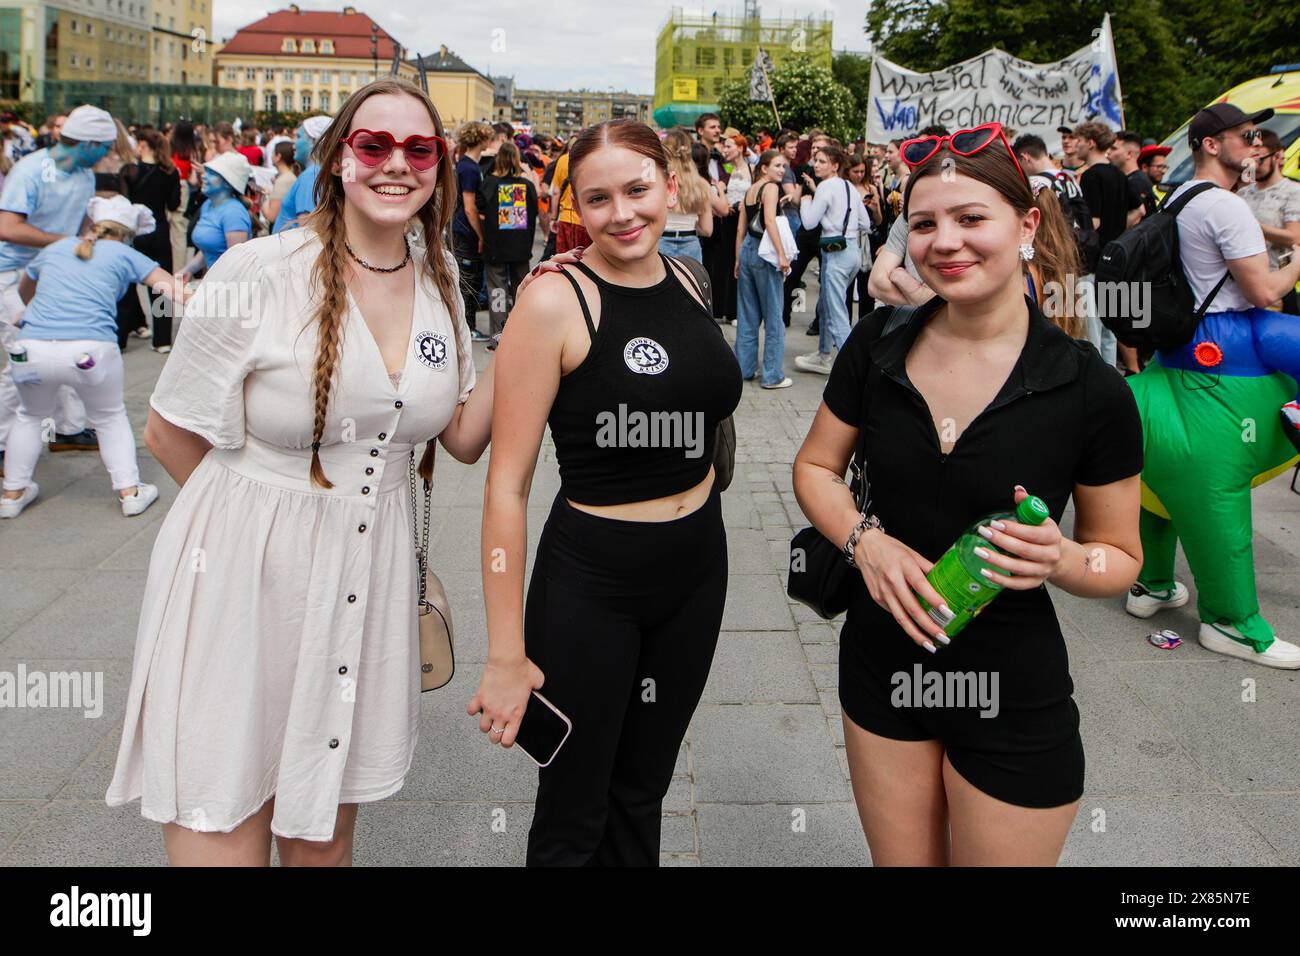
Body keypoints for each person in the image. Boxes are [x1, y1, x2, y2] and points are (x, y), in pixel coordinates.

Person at [105, 78, 495, 866]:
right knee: (223, 819)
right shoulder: (258, 270)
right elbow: (167, 428)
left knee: (322, 838)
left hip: (366, 578)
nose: (397, 164)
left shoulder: (440, 279)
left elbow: (460, 434)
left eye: (419, 148)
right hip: (242, 584)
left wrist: (545, 322)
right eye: (373, 144)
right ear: (339, 158)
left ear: (440, 166)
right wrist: (261, 519)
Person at [793, 121, 1144, 865]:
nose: (944, 242)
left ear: (1025, 225)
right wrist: (867, 544)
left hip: (1013, 689)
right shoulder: (878, 343)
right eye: (923, 223)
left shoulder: (1090, 388)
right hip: (882, 666)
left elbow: (1120, 557)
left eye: (970, 219)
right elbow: (816, 470)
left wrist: (1062, 559)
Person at [474, 118, 741, 866]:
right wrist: (505, 653)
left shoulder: (688, 278)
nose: (622, 213)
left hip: (695, 567)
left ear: (668, 183)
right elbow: (505, 484)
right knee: (573, 806)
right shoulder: (556, 300)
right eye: (598, 199)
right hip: (593, 579)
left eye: (637, 189)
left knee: (642, 788)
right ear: (575, 208)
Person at [1125, 103, 1300, 668]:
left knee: (1162, 480)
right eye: (1244, 136)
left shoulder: (1178, 196)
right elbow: (1264, 293)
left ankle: (1151, 584)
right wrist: (1298, 259)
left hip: (1175, 357)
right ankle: (1230, 621)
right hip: (1222, 362)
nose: (1254, 144)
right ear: (1209, 144)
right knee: (1211, 491)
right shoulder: (1226, 206)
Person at [1, 197, 189, 518]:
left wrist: (26, 315)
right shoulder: (124, 252)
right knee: (109, 416)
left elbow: (24, 289)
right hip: (90, 351)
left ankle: (12, 493)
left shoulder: (55, 249)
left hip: (30, 348)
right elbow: (175, 292)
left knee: (30, 416)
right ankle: (130, 492)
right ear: (127, 234)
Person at [0, 104, 117, 469]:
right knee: (19, 359)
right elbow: (8, 227)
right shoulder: (31, 170)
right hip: (13, 276)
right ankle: (4, 442)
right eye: (105, 146)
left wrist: (90, 240)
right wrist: (63, 242)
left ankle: (68, 429)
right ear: (87, 144)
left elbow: (80, 222)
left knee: (63, 345)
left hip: (52, 272)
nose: (109, 153)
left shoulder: (84, 174)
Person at [793, 144, 863, 375]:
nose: (816, 165)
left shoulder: (825, 187)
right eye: (816, 160)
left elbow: (810, 222)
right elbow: (865, 222)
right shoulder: (850, 187)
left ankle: (850, 373)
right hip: (852, 251)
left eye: (822, 161)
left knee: (836, 314)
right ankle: (823, 356)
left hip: (836, 255)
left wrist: (805, 202)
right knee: (825, 304)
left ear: (835, 165)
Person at [1075, 121, 1139, 369]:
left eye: (1079, 140)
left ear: (1090, 143)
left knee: (1092, 332)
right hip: (1117, 260)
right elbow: (1138, 209)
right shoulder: (1119, 174)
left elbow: (1094, 222)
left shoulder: (1092, 176)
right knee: (1110, 331)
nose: (1076, 145)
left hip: (1093, 264)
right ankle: (1113, 382)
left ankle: (1097, 385)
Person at [734, 148, 793, 389]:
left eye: (783, 166)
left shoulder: (751, 189)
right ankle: (772, 375)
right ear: (764, 167)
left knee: (747, 314)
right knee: (773, 316)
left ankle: (744, 369)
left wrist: (738, 259)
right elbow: (769, 221)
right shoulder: (770, 188)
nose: (782, 170)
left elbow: (741, 228)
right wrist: (782, 255)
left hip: (748, 250)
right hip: (764, 252)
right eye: (777, 165)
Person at [123, 129, 182, 351]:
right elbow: (174, 204)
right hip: (160, 228)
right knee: (160, 285)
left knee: (127, 281)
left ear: (144, 145)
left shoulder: (130, 171)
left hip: (136, 231)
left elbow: (125, 201)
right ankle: (163, 339)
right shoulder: (170, 171)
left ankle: (123, 333)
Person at [477, 141, 538, 345]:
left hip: (495, 246)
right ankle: (522, 333)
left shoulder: (489, 183)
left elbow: (480, 211)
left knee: (497, 292)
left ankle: (498, 337)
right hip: (521, 247)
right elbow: (534, 214)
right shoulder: (527, 186)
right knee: (522, 290)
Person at [1239, 128, 1300, 313]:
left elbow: (1294, 237)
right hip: (1245, 285)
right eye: (1250, 161)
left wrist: (1254, 226)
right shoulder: (1242, 194)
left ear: (1277, 156)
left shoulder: (1293, 191)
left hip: (1278, 285)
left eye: (1260, 160)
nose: (1254, 166)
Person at [177, 151, 252, 278]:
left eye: (212, 173)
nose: (204, 176)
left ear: (228, 183)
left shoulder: (234, 213)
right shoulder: (208, 204)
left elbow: (236, 266)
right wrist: (187, 270)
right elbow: (209, 249)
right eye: (206, 171)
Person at [450, 121, 493, 342]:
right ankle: (467, 327)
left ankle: (468, 326)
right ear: (481, 139)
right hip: (466, 232)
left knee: (471, 280)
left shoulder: (468, 164)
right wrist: (481, 234)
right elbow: (469, 206)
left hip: (463, 229)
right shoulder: (469, 168)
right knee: (468, 282)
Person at [657, 128, 714, 265]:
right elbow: (707, 229)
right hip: (690, 244)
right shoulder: (701, 184)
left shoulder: (659, 181)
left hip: (661, 241)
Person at [271, 115, 331, 234]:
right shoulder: (316, 172)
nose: (293, 143)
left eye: (298, 137)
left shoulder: (311, 176)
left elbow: (307, 232)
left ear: (313, 142)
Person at [846, 153, 881, 321]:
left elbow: (879, 220)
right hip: (849, 240)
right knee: (846, 288)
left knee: (866, 288)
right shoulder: (844, 188)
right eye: (855, 171)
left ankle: (864, 326)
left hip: (867, 241)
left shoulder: (871, 189)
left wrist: (874, 209)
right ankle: (844, 329)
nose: (859, 175)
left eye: (862, 171)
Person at [1107, 130, 1156, 221]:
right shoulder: (1130, 180)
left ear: (1129, 154)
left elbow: (1136, 219)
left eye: (1114, 149)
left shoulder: (1136, 183)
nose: (1108, 152)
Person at [263, 140, 299, 230]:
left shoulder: (283, 181)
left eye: (272, 153)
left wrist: (264, 198)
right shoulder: (289, 177)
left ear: (278, 156)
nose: (271, 156)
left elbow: (271, 216)